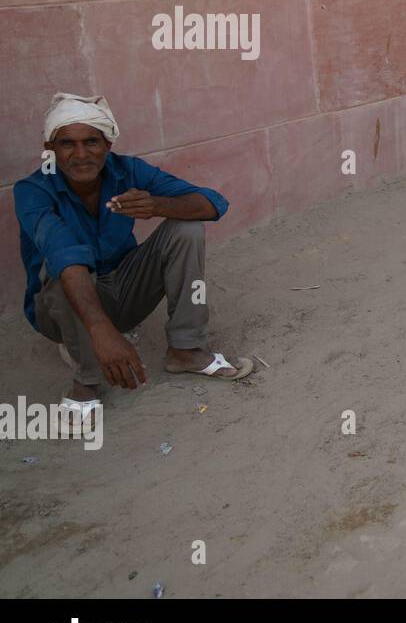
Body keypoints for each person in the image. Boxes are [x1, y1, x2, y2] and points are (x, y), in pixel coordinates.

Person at [14, 93, 254, 433]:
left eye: (91, 142)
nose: (80, 155)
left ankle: (186, 349)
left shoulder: (127, 171)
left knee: (185, 229)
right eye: (67, 143)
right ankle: (87, 381)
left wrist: (157, 205)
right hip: (61, 305)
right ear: (49, 147)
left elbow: (213, 203)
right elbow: (64, 255)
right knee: (58, 269)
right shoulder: (32, 190)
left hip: (122, 291)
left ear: (107, 144)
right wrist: (102, 332)